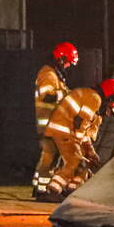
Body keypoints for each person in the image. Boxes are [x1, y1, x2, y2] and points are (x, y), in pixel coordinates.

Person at [44, 78, 114, 197]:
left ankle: (71, 190)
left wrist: (90, 152)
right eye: (109, 109)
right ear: (110, 98)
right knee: (75, 160)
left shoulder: (92, 98)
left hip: (66, 129)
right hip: (63, 129)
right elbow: (80, 124)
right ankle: (53, 190)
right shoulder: (94, 99)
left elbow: (84, 131)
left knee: (84, 164)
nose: (107, 113)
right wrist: (81, 150)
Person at [32, 42, 78, 198]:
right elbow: (48, 95)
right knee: (49, 157)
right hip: (48, 124)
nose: (67, 66)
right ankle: (43, 192)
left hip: (53, 125)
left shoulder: (55, 75)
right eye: (67, 62)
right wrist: (66, 96)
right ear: (60, 58)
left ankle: (39, 188)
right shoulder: (48, 74)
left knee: (50, 157)